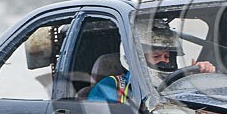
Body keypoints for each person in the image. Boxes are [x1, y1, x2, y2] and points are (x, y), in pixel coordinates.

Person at [87, 22, 215, 102]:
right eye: (156, 56)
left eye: (168, 56)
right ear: (136, 57)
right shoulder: (110, 86)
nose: (164, 61)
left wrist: (199, 80)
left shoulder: (180, 84)